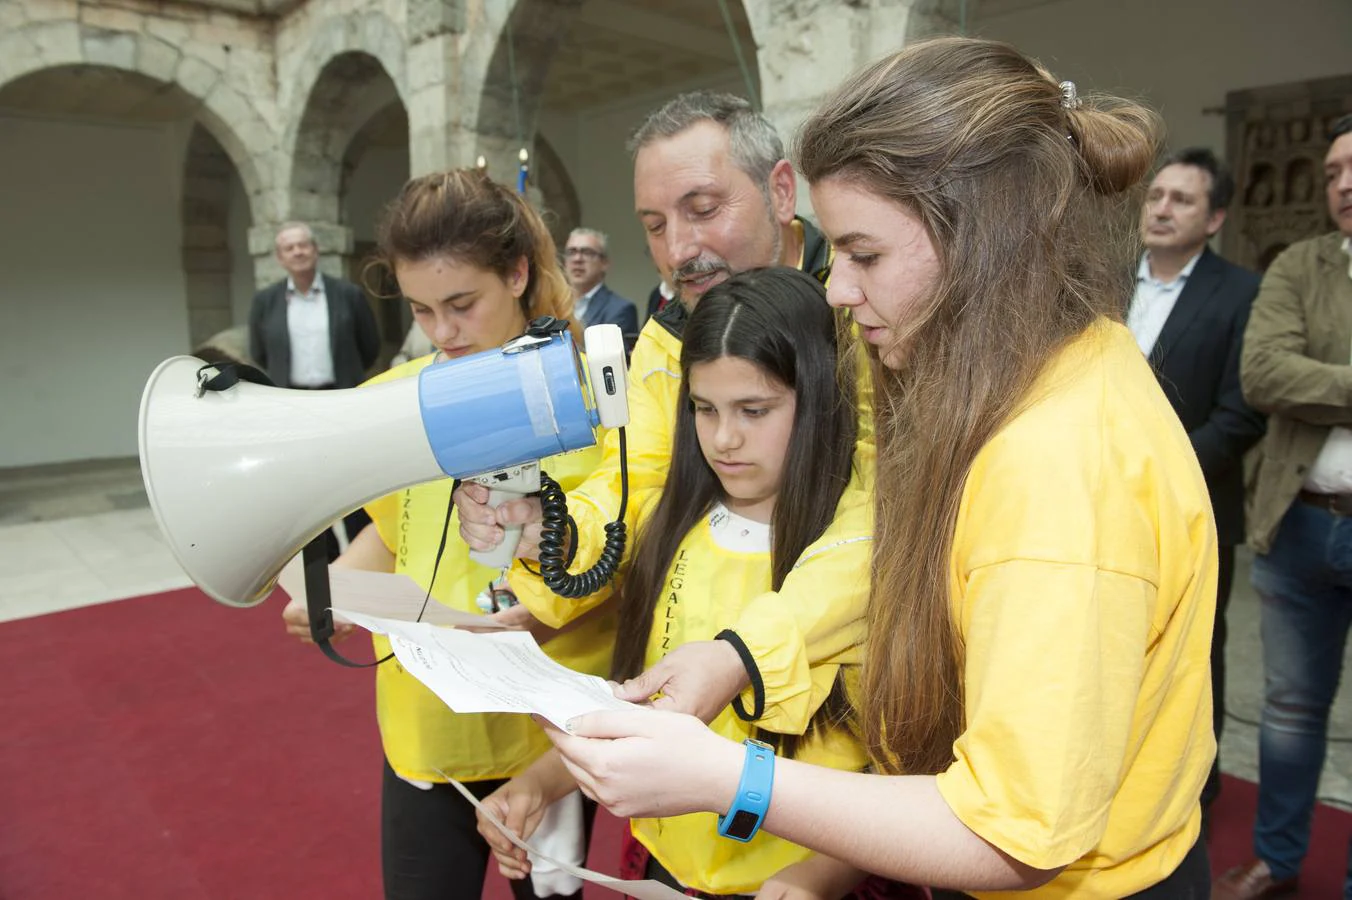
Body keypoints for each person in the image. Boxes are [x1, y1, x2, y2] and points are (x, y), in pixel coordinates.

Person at [541, 37, 1219, 899]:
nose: (836, 288)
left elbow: (1008, 832)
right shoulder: (1060, 360)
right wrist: (740, 655)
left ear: (988, 238)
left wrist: (731, 780)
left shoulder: (1055, 467)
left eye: (864, 255)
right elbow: (882, 531)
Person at [478, 268, 915, 899]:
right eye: (704, 410)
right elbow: (647, 711)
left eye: (754, 410)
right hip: (666, 870)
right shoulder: (669, 526)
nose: (724, 438)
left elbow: (891, 766)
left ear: (819, 399)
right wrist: (539, 784)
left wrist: (821, 872)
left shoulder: (850, 557)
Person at [455, 91, 864, 738]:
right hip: (686, 671)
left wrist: (746, 652)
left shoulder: (862, 307)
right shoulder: (664, 340)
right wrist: (552, 534)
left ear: (781, 192)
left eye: (703, 210)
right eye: (653, 225)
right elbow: (634, 484)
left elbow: (883, 521)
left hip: (832, 700)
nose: (678, 250)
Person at [279, 170, 614, 900]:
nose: (442, 334)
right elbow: (394, 534)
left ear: (518, 273)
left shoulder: (590, 401)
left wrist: (546, 619)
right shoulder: (394, 403)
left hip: (545, 734)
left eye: (462, 304)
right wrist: (332, 591)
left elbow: (621, 578)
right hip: (425, 732)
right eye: (423, 311)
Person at [1213, 113, 1352, 900]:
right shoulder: (1300, 264)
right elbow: (1265, 376)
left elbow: (1297, 377)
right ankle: (1278, 859)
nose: (1342, 184)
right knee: (1292, 709)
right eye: (1331, 171)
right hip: (1299, 519)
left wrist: (1322, 382)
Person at [1129, 146, 1266, 818]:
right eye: (1156, 196)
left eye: (1181, 200)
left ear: (1214, 219)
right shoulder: (1102, 283)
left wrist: (1153, 473)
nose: (1160, 208)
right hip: (1096, 504)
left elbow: (1242, 415)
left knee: (1192, 652)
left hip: (1195, 509)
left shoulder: (1241, 293)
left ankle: (1191, 797)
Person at [247, 221, 380, 389]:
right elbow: (259, 353)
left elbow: (370, 347)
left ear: (315, 250)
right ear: (280, 258)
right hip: (290, 396)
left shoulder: (349, 294)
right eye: (289, 248)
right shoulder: (265, 300)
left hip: (341, 393)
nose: (298, 252)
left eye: (303, 245)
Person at [563, 227, 639, 341]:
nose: (577, 259)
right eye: (571, 252)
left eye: (587, 252)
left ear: (604, 263)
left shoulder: (621, 309)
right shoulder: (553, 305)